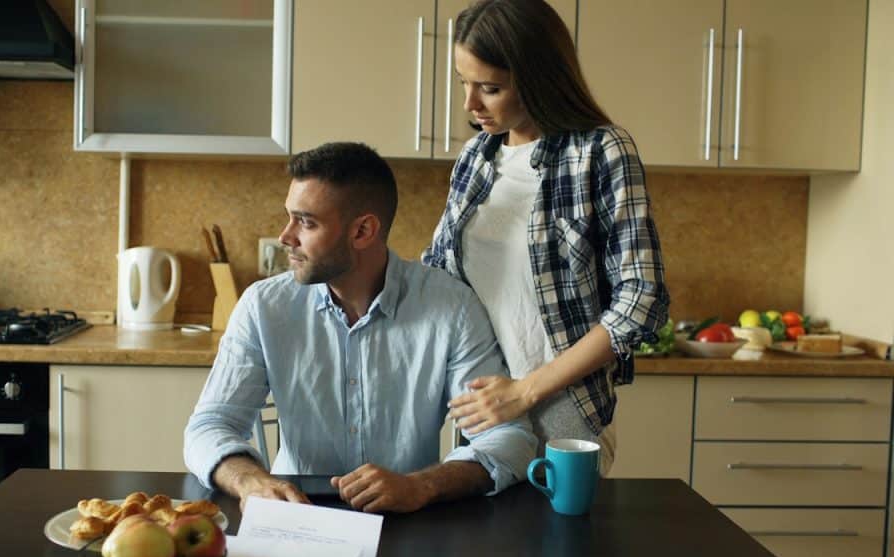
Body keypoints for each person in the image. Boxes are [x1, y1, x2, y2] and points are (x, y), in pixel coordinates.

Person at [184, 142, 537, 513]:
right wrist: (251, 481)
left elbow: (509, 439)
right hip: (294, 515)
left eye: (306, 222)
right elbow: (209, 426)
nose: (286, 237)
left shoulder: (452, 307)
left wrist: (422, 485)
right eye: (290, 217)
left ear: (363, 231)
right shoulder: (262, 306)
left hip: (406, 518)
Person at [424, 0, 670, 474]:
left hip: (562, 407)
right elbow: (440, 275)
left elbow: (642, 297)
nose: (469, 105)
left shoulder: (601, 150)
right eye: (463, 83)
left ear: (537, 78)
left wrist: (526, 390)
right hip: (484, 405)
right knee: (479, 547)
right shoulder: (476, 156)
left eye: (490, 88)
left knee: (557, 548)